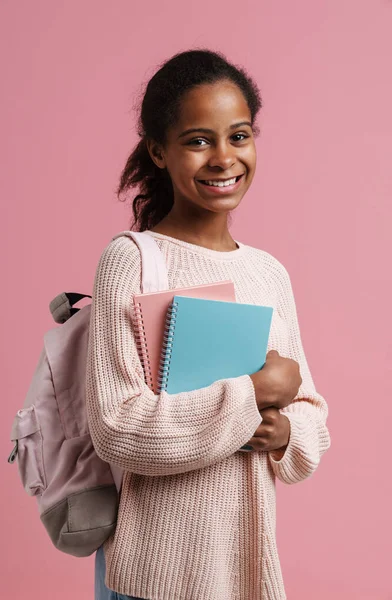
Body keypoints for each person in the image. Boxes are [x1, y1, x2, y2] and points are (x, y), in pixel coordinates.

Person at [86, 48, 331, 600]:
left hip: (247, 572)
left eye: (238, 136)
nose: (224, 157)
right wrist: (249, 399)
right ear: (158, 151)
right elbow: (116, 428)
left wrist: (285, 432)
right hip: (153, 576)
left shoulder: (268, 272)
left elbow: (311, 413)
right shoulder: (130, 260)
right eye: (198, 140)